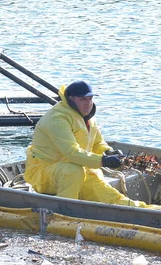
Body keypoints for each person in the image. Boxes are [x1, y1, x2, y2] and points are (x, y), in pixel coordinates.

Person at [24, 80, 154, 208]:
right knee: (73, 171)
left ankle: (147, 211)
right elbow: (72, 153)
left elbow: (97, 142)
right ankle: (63, 212)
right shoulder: (57, 119)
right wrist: (104, 161)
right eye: (83, 99)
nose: (88, 103)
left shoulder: (88, 117)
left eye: (90, 99)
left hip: (79, 169)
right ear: (70, 99)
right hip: (44, 172)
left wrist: (108, 151)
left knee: (111, 197)